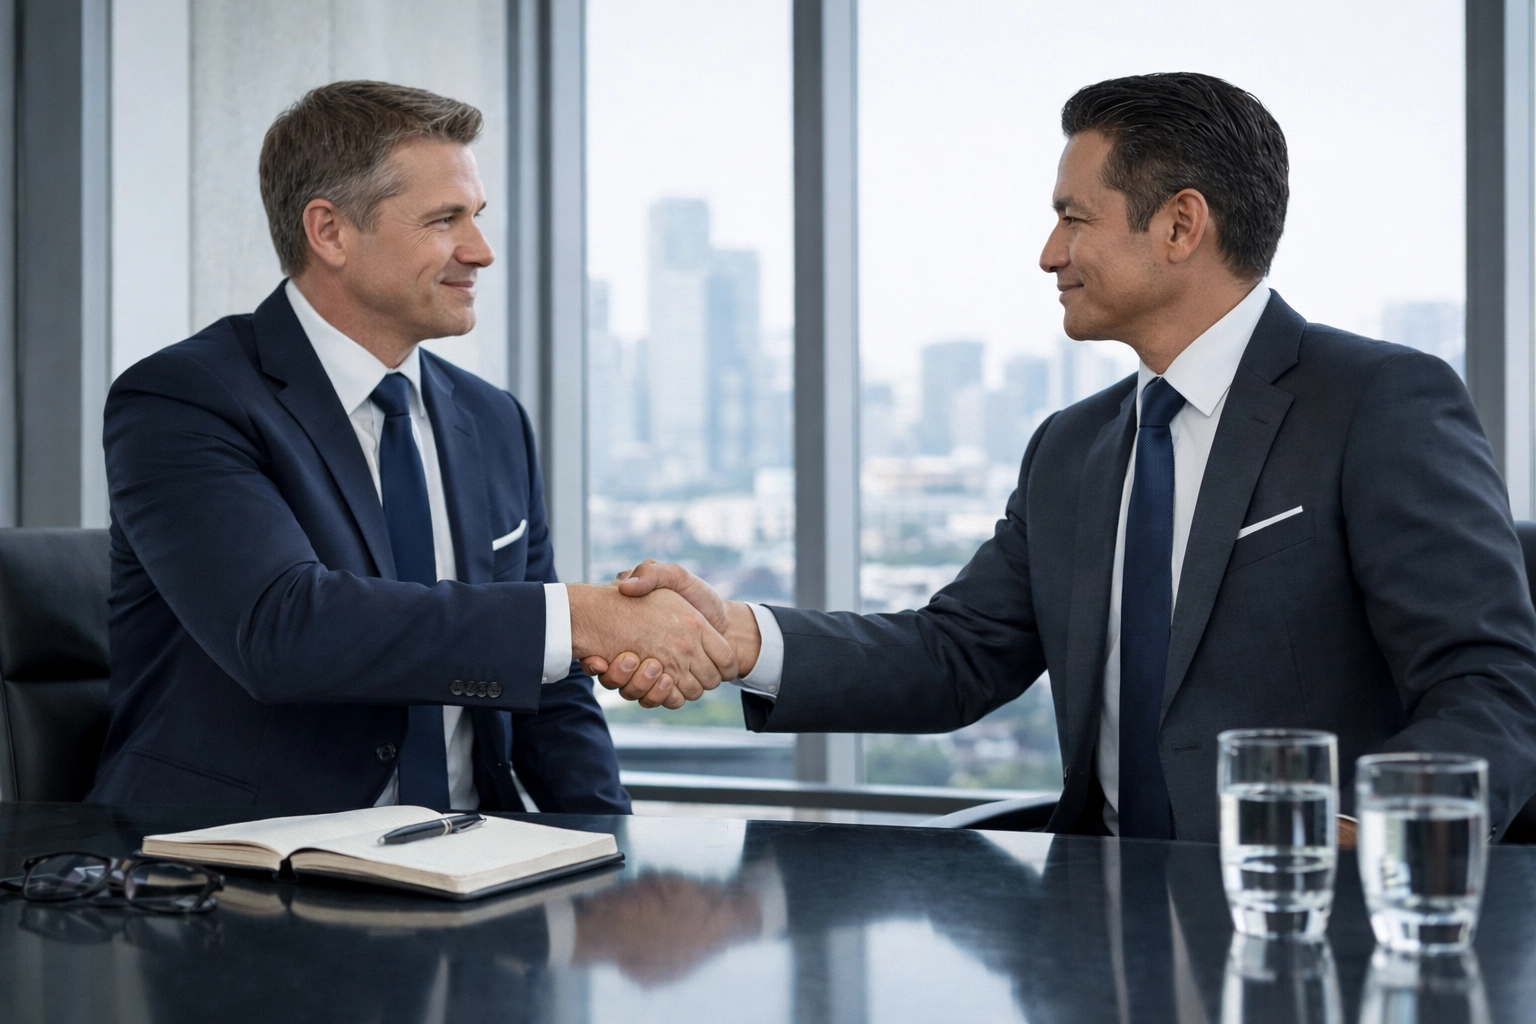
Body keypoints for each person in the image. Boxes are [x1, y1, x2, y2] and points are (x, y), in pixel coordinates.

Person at [587, 72, 1536, 842]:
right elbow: (956, 655)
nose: (1049, 253)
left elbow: (1488, 683)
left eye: (1074, 217)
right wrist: (743, 640)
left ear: (1179, 225)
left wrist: (1378, 830)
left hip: (1308, 926)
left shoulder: (1377, 403)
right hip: (1098, 925)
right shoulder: (1071, 448)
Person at [89, 81, 736, 813]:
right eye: (444, 220)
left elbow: (552, 687)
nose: (481, 251)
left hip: (476, 864)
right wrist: (578, 614)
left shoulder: (495, 422)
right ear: (329, 232)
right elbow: (283, 630)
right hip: (240, 879)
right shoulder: (185, 398)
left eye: (478, 217)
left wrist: (607, 849)